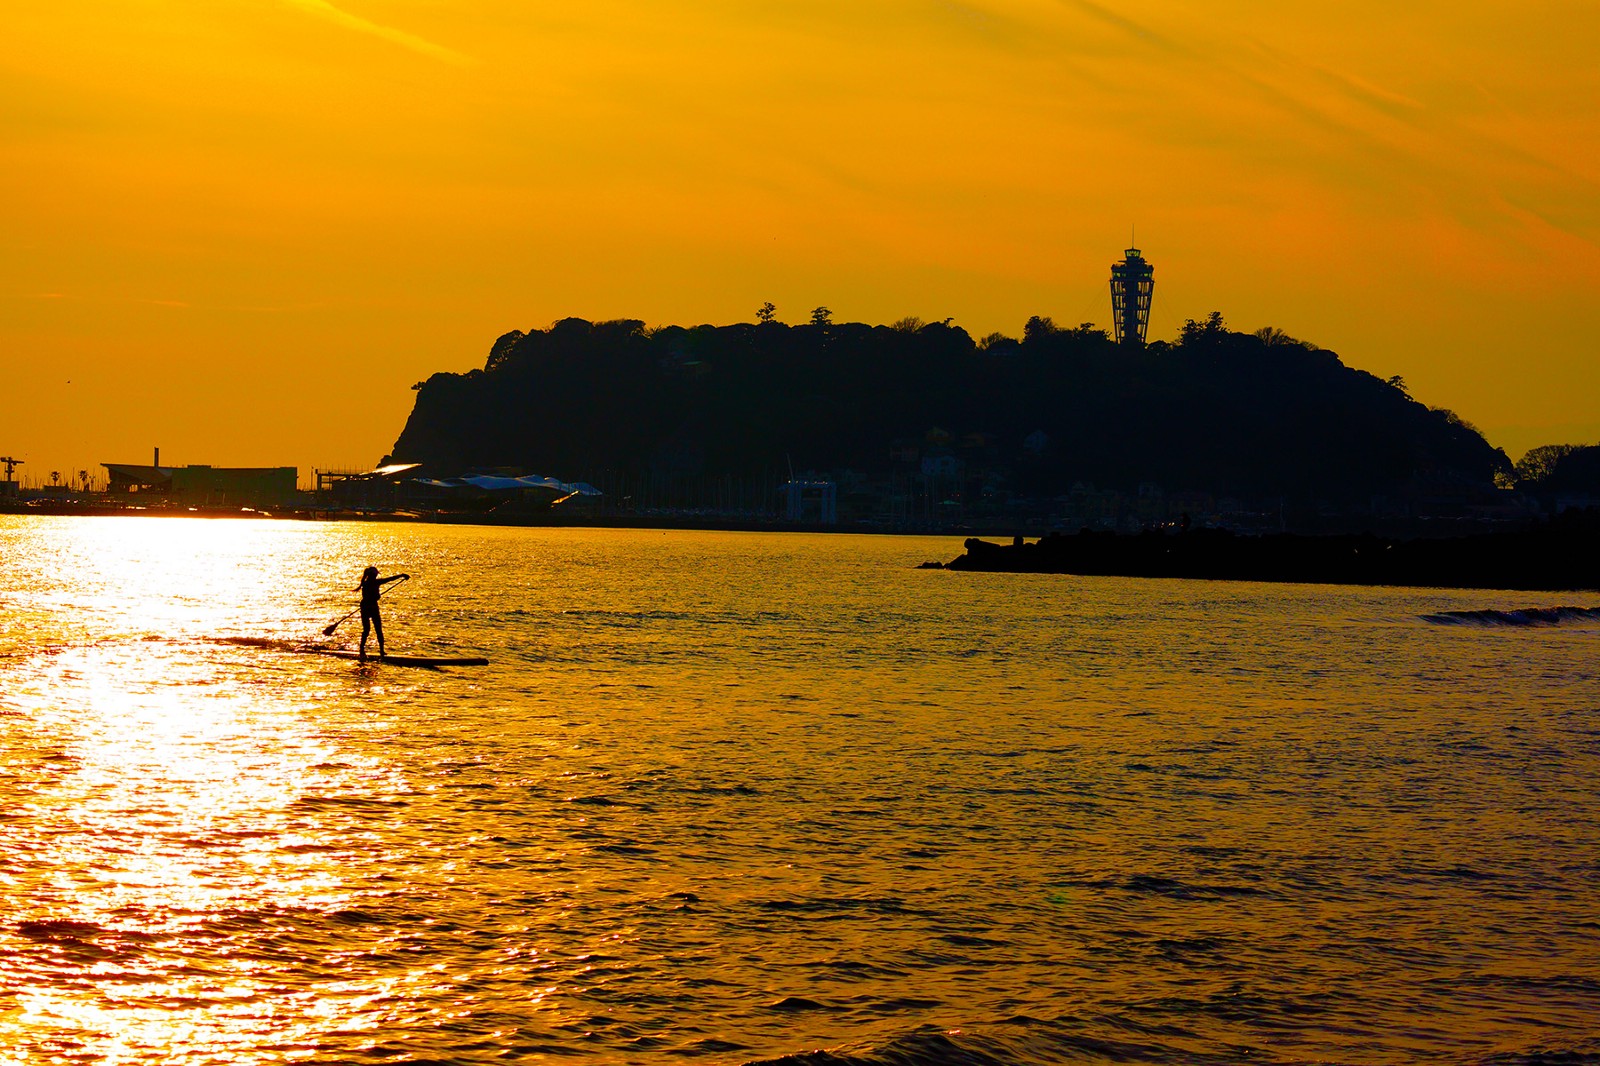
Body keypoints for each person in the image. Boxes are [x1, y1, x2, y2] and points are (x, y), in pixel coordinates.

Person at [357, 566, 408, 661]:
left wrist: (401, 576)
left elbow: (388, 580)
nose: (376, 576)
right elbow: (387, 580)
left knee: (378, 630)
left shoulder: (371, 582)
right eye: (375, 574)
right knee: (367, 630)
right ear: (372, 575)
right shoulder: (367, 583)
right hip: (366, 608)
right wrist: (376, 596)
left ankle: (381, 651)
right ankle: (362, 650)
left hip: (372, 608)